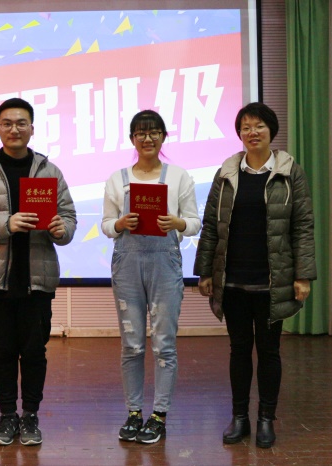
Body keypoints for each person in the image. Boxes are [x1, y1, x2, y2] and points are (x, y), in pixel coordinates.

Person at [193, 102, 316, 448]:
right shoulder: (226, 174)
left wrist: (303, 275)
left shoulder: (290, 172)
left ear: (271, 130)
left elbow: (303, 226)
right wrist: (205, 271)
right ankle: (239, 418)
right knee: (239, 350)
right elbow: (211, 226)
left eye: (259, 126)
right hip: (232, 279)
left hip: (272, 280)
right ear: (239, 134)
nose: (252, 132)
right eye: (246, 127)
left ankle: (265, 419)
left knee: (269, 351)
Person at [0, 98, 77, 446]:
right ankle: (8, 415)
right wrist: (6, 223)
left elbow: (69, 218)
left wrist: (62, 230)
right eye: (7, 123)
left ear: (32, 128)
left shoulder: (50, 171)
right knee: (3, 351)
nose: (14, 129)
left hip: (38, 279)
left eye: (21, 123)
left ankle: (31, 415)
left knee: (35, 352)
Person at [101, 109, 201, 444]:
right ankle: (133, 412)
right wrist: (119, 224)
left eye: (154, 132)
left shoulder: (179, 176)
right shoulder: (117, 179)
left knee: (164, 344)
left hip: (164, 264)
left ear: (163, 137)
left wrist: (178, 223)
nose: (148, 138)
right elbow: (106, 224)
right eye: (141, 133)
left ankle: (159, 415)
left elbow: (195, 222)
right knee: (131, 344)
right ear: (132, 139)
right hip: (127, 266)